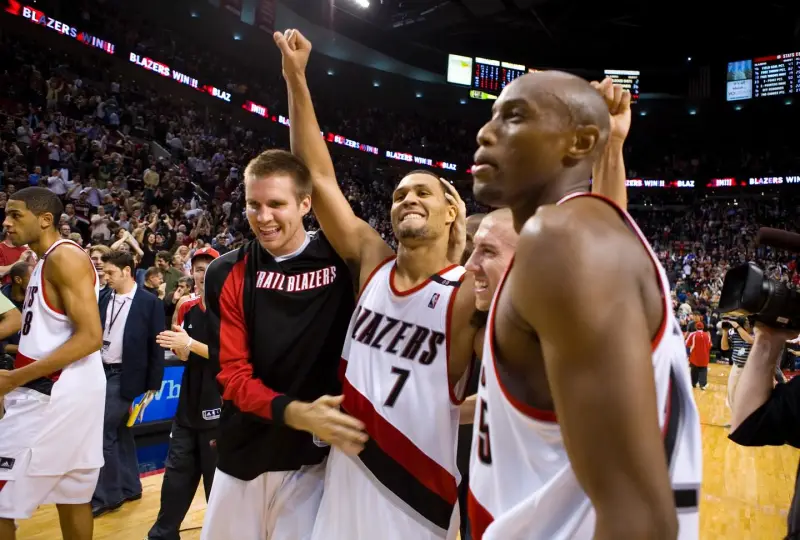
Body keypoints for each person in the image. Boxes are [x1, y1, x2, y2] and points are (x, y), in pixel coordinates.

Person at [466, 71, 702, 539]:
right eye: (492, 115)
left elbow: (639, 517)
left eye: (514, 116)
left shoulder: (560, 239)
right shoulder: (591, 239)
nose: (485, 132)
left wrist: (607, 147)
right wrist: (611, 149)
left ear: (579, 143)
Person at [277, 29, 477, 540]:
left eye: (423, 192)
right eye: (399, 194)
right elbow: (319, 178)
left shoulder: (466, 293)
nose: (408, 198)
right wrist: (296, 78)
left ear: (451, 211)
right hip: (345, 479)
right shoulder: (373, 261)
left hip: (417, 497)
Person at [200, 149, 360, 540]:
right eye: (253, 205)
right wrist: (298, 413)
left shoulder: (343, 262)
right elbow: (232, 376)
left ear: (305, 204)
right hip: (244, 454)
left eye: (276, 204)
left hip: (315, 461)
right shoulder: (227, 271)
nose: (263, 217)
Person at [0, 186, 105, 540]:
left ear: (45, 219)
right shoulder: (45, 260)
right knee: (72, 496)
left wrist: (15, 378)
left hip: (52, 394)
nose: (7, 223)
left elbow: (90, 336)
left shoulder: (64, 258)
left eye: (16, 215)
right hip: (69, 391)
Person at [147, 247, 221, 540]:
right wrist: (180, 346)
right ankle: (162, 534)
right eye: (198, 268)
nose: (203, 274)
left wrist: (189, 343)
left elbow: (230, 357)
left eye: (209, 268)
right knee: (176, 475)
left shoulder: (232, 306)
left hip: (220, 406)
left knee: (218, 484)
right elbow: (184, 355)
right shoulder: (185, 306)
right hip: (188, 404)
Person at [92, 250, 165, 517]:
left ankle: (108, 496)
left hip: (125, 375)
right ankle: (130, 487)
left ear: (126, 271)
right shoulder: (104, 297)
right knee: (120, 431)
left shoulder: (149, 302)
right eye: (104, 273)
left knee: (102, 434)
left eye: (111, 272)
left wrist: (153, 384)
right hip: (100, 371)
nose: (106, 277)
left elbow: (157, 345)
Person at [686, 321, 711, 390]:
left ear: (695, 327)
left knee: (694, 370)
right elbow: (709, 346)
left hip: (694, 356)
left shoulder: (692, 334)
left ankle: (693, 384)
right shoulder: (707, 335)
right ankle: (703, 385)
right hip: (705, 356)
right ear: (703, 327)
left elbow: (687, 344)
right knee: (703, 370)